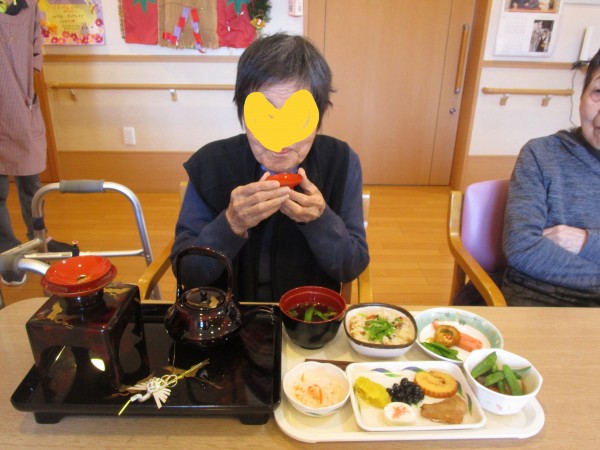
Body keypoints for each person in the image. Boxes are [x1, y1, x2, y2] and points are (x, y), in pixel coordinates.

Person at [171, 33, 369, 302]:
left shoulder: (342, 162)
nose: (281, 138)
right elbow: (188, 271)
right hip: (229, 313)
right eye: (266, 115)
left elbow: (352, 265)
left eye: (296, 117)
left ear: (318, 116)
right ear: (244, 114)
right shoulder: (210, 164)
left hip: (308, 315)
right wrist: (231, 223)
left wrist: (320, 220)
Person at [501, 47, 600, 306]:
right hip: (540, 299)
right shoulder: (541, 154)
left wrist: (587, 241)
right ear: (582, 94)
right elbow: (522, 248)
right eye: (599, 92)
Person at [0, 0, 71, 286]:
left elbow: (34, 49)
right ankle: (6, 251)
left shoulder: (28, 6)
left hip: (21, 103)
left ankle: (39, 238)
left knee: (31, 182)